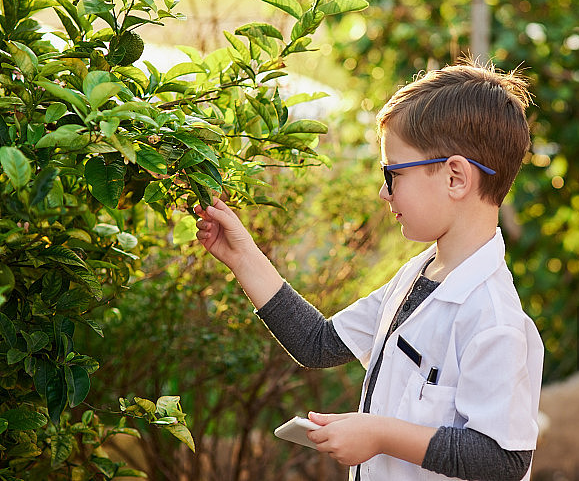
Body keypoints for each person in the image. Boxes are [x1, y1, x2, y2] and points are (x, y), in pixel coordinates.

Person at [194, 60, 544, 481]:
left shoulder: (491, 317)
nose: (383, 191)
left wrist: (379, 434)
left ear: (455, 178)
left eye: (392, 174)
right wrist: (241, 255)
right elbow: (318, 343)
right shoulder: (419, 277)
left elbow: (502, 458)